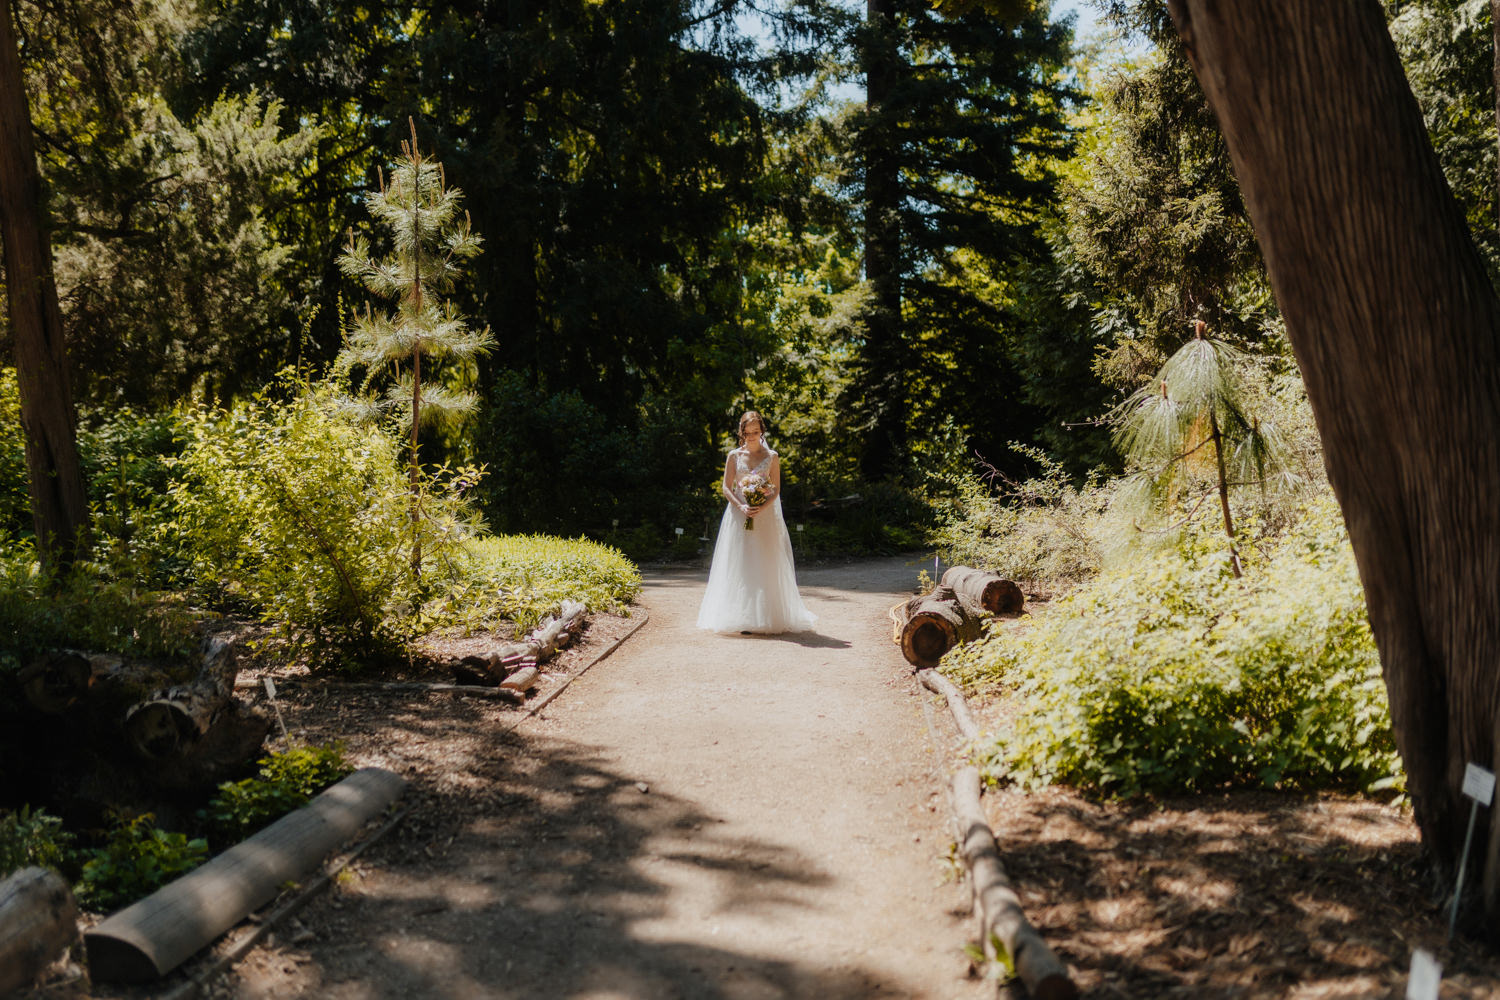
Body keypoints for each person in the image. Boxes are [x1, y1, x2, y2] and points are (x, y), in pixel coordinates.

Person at [696, 410, 817, 634]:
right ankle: (741, 617)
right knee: (740, 564)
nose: (751, 436)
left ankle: (767, 616)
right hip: (738, 514)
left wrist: (762, 506)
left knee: (764, 563)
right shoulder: (734, 456)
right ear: (741, 432)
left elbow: (776, 489)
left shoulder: (772, 456)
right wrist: (741, 506)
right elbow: (726, 487)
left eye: (755, 431)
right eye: (747, 432)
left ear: (762, 431)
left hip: (765, 516)